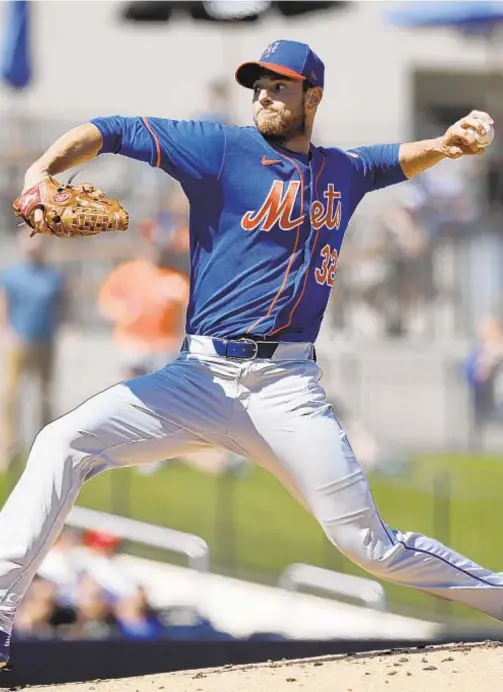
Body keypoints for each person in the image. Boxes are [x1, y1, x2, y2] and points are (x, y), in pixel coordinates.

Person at [0, 39, 498, 668]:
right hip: (199, 378)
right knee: (60, 442)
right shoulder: (220, 149)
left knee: (370, 547)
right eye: (258, 83)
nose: (264, 93)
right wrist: (42, 168)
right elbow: (113, 129)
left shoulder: (343, 169)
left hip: (287, 387)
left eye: (280, 85)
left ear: (312, 97)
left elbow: (392, 160)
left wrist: (449, 144)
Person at [0, 232, 66, 468]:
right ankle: (9, 446)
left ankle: (45, 441)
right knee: (11, 395)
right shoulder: (12, 275)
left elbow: (62, 306)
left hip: (45, 340)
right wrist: (6, 332)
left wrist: (64, 330)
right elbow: (4, 305)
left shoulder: (53, 277)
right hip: (19, 340)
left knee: (44, 394)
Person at [98, 236, 190, 379]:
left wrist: (178, 294)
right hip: (133, 343)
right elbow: (106, 304)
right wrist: (122, 310)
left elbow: (190, 304)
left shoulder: (171, 276)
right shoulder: (125, 273)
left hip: (164, 344)